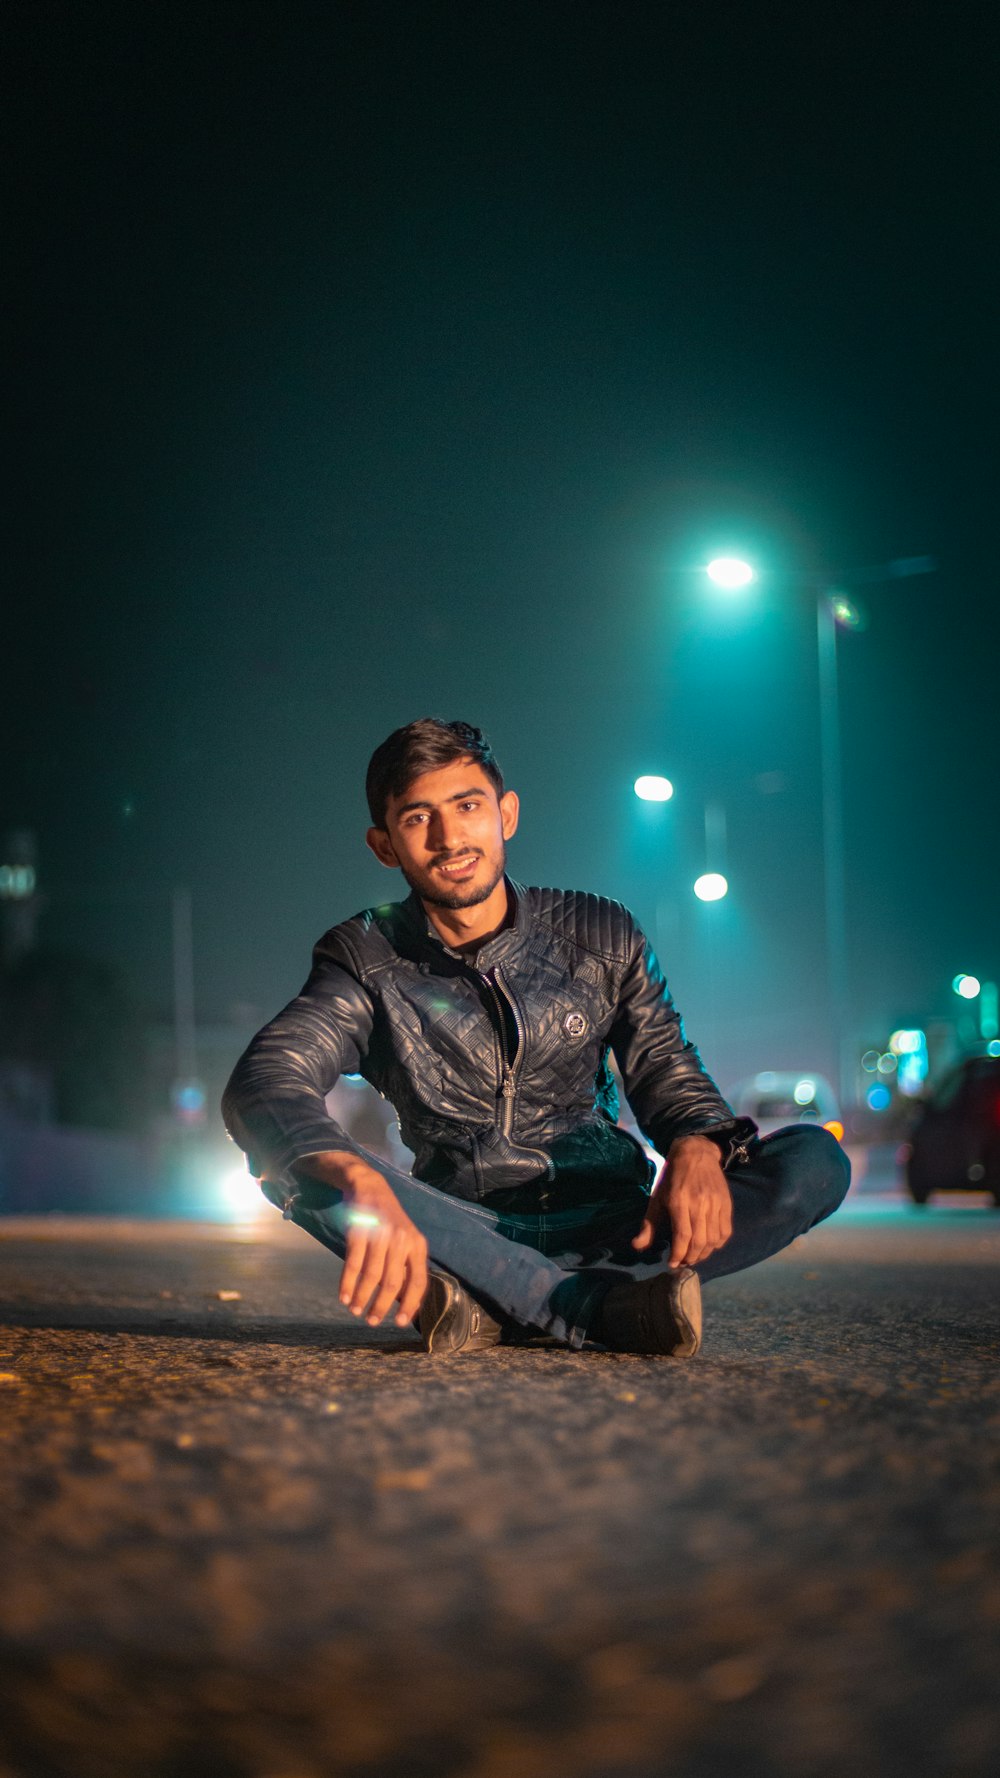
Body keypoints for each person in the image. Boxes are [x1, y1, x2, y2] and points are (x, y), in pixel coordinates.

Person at [222, 719, 849, 1357]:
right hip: (467, 1226)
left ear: (506, 814)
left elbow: (664, 1065)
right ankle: (596, 1308)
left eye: (468, 806)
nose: (449, 838)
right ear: (384, 845)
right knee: (297, 1168)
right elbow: (267, 1081)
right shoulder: (363, 958)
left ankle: (502, 1305)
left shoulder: (601, 932)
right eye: (417, 819)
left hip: (616, 1221)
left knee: (814, 1160)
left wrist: (696, 1145)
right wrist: (353, 1173)